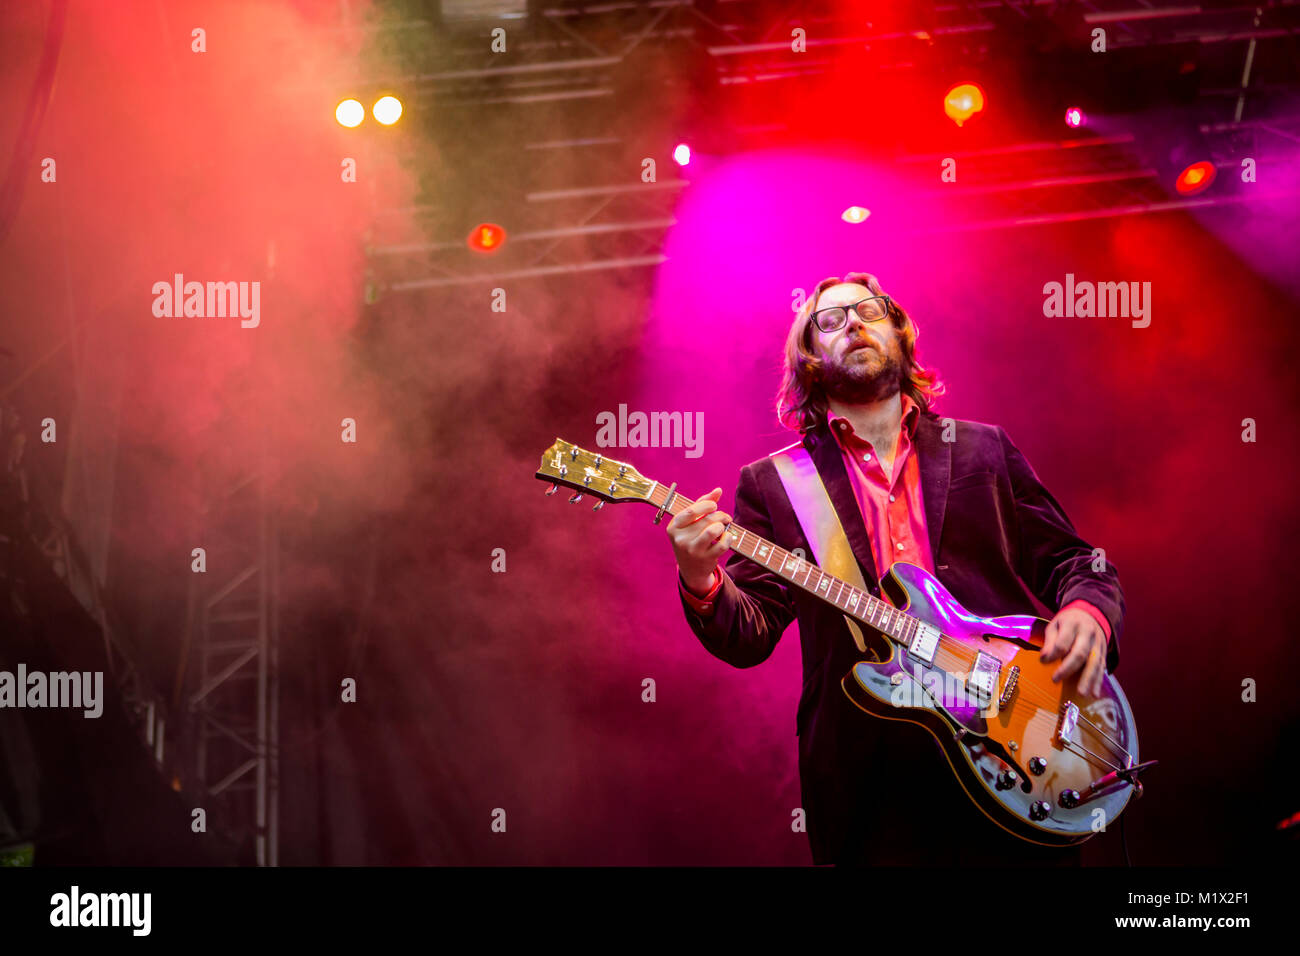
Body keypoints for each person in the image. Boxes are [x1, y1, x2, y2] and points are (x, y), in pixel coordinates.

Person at [666, 272, 1125, 866]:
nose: (853, 324)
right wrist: (699, 575)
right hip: (870, 783)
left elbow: (1074, 561)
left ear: (900, 333)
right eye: (830, 320)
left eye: (870, 310)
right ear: (808, 357)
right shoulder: (776, 483)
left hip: (1014, 746)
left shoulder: (983, 448)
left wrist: (1087, 612)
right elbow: (748, 633)